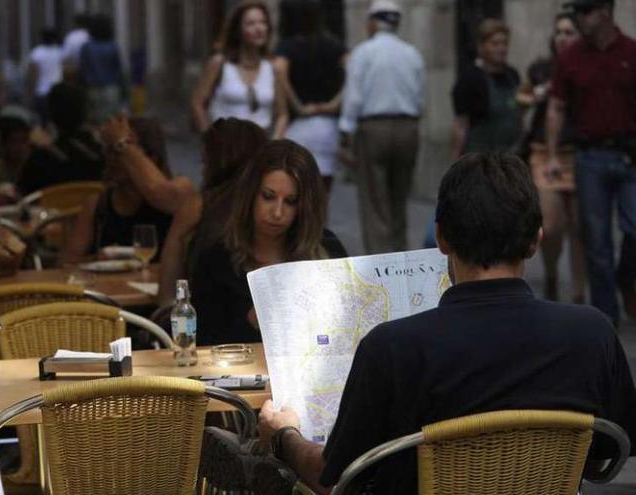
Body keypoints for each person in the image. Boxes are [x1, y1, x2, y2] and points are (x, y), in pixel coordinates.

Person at [258, 152, 636, 494]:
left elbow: (334, 478)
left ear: (440, 237)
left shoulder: (392, 347)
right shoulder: (593, 333)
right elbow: (612, 445)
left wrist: (283, 435)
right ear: (536, 239)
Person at [191, 140, 346, 346]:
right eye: (268, 197)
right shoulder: (217, 258)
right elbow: (203, 342)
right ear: (250, 195)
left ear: (304, 207)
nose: (277, 213)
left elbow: (349, 331)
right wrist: (251, 322)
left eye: (290, 201)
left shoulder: (328, 251)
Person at [547, 0, 636, 325]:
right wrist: (554, 156)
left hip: (630, 157)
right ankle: (606, 317)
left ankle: (626, 278)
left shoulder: (631, 51)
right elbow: (556, 106)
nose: (579, 19)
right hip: (590, 158)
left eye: (585, 11)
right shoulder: (571, 56)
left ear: (606, 11)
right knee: (596, 242)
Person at [338, 0, 424, 255]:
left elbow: (354, 96)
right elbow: (420, 99)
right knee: (400, 199)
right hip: (407, 128)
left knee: (375, 203)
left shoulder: (363, 53)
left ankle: (380, 262)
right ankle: (401, 255)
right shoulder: (412, 54)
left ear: (374, 22)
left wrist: (345, 132)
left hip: (373, 128)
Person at [157, 117, 268, 306]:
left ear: (215, 163)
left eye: (204, 163)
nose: (202, 171)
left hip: (205, 326)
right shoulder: (273, 210)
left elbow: (168, 293)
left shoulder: (197, 208)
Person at [518, 13, 585, 303]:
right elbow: (519, 98)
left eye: (569, 32)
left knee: (580, 227)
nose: (562, 37)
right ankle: (551, 273)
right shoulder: (541, 68)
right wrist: (534, 95)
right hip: (544, 153)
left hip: (580, 151)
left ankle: (580, 291)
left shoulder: (585, 66)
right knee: (551, 224)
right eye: (559, 32)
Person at [63, 117, 185, 260]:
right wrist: (98, 259)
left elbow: (182, 274)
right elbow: (67, 263)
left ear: (151, 158)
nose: (113, 159)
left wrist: (121, 142)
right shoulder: (97, 205)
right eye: (110, 150)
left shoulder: (179, 192)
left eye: (121, 150)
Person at [276, 0, 346, 193]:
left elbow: (279, 71)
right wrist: (333, 104)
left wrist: (297, 106)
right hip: (328, 129)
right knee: (322, 196)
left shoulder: (287, 47)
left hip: (298, 126)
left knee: (297, 193)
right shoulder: (334, 46)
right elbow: (354, 73)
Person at [191, 1, 288, 138]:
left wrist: (275, 143)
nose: (259, 28)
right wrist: (210, 140)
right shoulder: (220, 63)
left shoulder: (273, 68)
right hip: (225, 146)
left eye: (263, 22)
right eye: (251, 23)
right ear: (238, 30)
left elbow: (282, 114)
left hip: (261, 147)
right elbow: (197, 103)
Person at [452, 19, 523, 158]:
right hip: (479, 159)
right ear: (481, 47)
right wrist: (456, 161)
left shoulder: (512, 75)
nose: (501, 49)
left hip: (511, 157)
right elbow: (460, 125)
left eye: (504, 44)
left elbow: (519, 113)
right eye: (495, 44)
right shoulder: (470, 79)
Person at [18, 82, 105, 195]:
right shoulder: (104, 158)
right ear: (86, 112)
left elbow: (25, 198)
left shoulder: (39, 161)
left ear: (51, 114)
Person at [78, 15, 126, 123]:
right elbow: (119, 70)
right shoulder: (113, 47)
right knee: (111, 121)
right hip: (111, 88)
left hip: (92, 88)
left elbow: (82, 70)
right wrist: (124, 91)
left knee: (96, 121)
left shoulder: (86, 47)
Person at [25, 28, 64, 124]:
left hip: (41, 92)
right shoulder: (60, 52)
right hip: (57, 92)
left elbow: (32, 74)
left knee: (42, 122)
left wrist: (29, 93)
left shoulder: (37, 53)